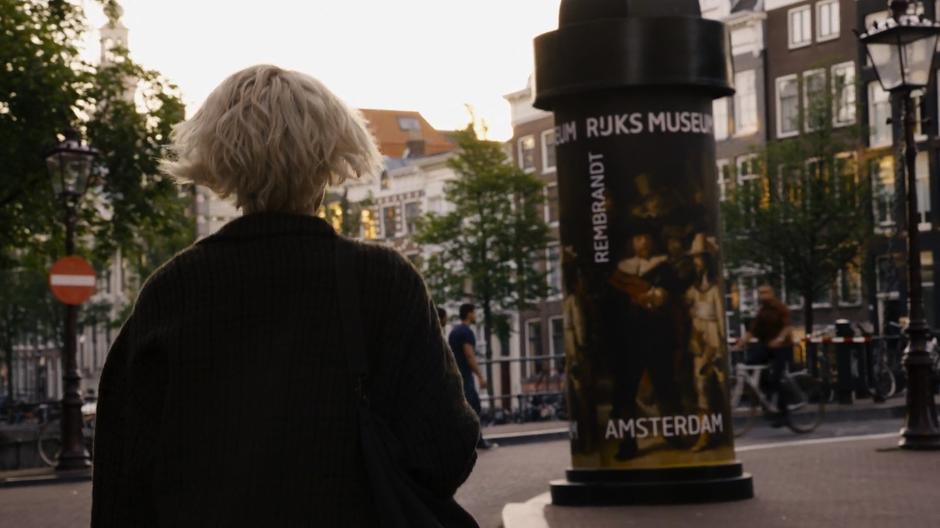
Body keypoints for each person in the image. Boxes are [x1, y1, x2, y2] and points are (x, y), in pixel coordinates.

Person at [91, 65, 480, 527]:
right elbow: (443, 449)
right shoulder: (384, 281)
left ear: (216, 162)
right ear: (332, 158)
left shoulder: (170, 292)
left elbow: (123, 478)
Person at [684, 234, 726, 451]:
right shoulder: (693, 289)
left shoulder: (715, 288)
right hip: (699, 340)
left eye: (699, 258)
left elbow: (719, 319)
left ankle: (719, 432)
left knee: (720, 384)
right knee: (701, 389)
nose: (696, 262)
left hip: (713, 340)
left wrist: (717, 348)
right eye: (694, 258)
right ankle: (705, 434)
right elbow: (692, 317)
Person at [735, 285, 793, 427]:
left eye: (766, 292)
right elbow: (753, 330)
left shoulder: (780, 308)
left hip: (782, 347)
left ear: (772, 293)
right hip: (767, 345)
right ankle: (767, 396)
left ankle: (784, 413)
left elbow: (787, 326)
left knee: (776, 378)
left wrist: (780, 339)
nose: (763, 295)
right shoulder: (762, 312)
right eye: (761, 293)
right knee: (749, 364)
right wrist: (741, 342)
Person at [448, 304, 496, 450]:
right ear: (469, 314)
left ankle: (466, 440)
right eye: (474, 312)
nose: (476, 315)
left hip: (455, 375)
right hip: (466, 376)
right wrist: (480, 376)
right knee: (474, 406)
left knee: (462, 408)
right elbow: (469, 356)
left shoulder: (453, 332)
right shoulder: (466, 332)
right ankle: (477, 441)